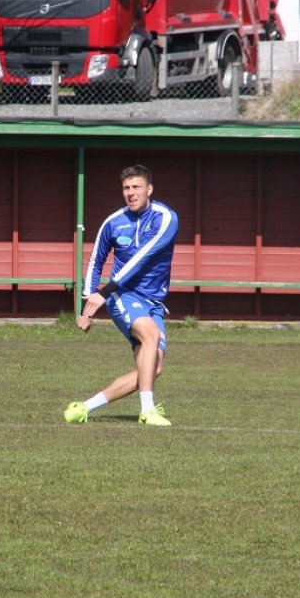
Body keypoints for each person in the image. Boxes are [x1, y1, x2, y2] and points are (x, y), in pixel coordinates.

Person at [64, 165, 179, 426]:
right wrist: (87, 305)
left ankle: (83, 408)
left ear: (149, 189)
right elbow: (96, 261)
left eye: (136, 187)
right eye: (126, 188)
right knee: (150, 335)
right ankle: (147, 411)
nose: (131, 193)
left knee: (152, 369)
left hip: (153, 303)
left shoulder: (166, 218)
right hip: (122, 295)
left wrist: (102, 292)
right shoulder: (113, 223)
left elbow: (142, 257)